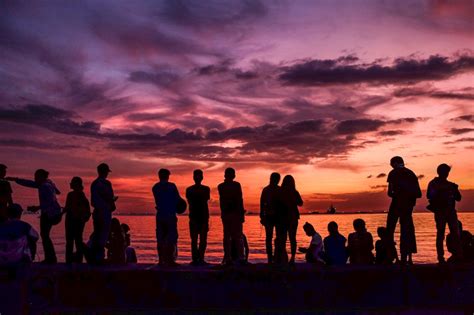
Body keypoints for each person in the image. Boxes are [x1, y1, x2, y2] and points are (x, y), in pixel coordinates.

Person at [7, 169, 61, 264]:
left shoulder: (44, 186)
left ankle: (50, 258)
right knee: (45, 235)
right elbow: (30, 183)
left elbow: (50, 201)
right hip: (55, 213)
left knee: (45, 236)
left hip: (49, 214)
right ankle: (51, 258)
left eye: (36, 176)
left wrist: (37, 207)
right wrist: (16, 179)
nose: (34, 178)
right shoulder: (48, 183)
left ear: (41, 177)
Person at [386, 156, 421, 265]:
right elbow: (418, 193)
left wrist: (399, 194)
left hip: (397, 204)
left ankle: (393, 257)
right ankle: (407, 258)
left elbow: (389, 192)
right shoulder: (411, 173)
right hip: (408, 207)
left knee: (390, 230)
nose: (391, 165)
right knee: (407, 231)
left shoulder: (393, 173)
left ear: (395, 163)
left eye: (391, 163)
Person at [427, 164, 462, 263]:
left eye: (447, 172)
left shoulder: (451, 185)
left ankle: (457, 255)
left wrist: (455, 190)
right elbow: (429, 195)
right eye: (444, 172)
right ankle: (441, 257)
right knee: (440, 234)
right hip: (440, 212)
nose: (446, 174)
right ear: (439, 172)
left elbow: (458, 198)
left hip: (451, 212)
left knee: (455, 234)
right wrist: (442, 192)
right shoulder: (433, 183)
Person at [152, 168, 182, 266]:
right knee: (171, 238)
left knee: (160, 238)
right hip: (170, 215)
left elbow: (159, 201)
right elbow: (178, 200)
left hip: (160, 215)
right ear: (167, 176)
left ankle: (161, 260)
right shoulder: (172, 186)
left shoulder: (155, 187)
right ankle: (170, 260)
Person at [218, 167, 245, 265]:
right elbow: (239, 200)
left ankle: (228, 257)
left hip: (227, 214)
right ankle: (238, 257)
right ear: (233, 175)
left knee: (228, 236)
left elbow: (223, 202)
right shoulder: (236, 185)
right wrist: (241, 214)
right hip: (234, 214)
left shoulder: (221, 186)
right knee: (236, 236)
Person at [90, 163, 117, 264]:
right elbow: (109, 197)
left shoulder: (94, 183)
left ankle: (96, 257)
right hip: (104, 212)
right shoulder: (106, 183)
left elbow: (93, 201)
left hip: (97, 212)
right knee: (103, 235)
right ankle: (99, 257)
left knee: (97, 234)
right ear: (105, 172)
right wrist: (112, 202)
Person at [186, 169, 211, 266]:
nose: (197, 178)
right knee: (197, 240)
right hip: (196, 217)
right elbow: (204, 200)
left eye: (198, 176)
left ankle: (199, 259)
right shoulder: (204, 189)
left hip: (201, 217)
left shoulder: (203, 189)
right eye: (197, 176)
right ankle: (197, 259)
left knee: (199, 240)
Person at [64, 177, 91, 263]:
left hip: (76, 222)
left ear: (76, 184)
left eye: (72, 182)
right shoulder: (71, 195)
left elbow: (86, 211)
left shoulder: (78, 196)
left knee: (75, 241)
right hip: (72, 221)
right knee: (72, 241)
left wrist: (82, 219)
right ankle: (72, 260)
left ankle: (73, 260)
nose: (70, 184)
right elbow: (67, 208)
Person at [277, 175, 303, 265]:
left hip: (285, 218)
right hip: (291, 218)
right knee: (292, 238)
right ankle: (291, 257)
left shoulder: (281, 191)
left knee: (284, 238)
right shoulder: (294, 192)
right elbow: (300, 203)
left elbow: (300, 203)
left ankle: (286, 257)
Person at [260, 172, 281, 263]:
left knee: (274, 238)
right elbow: (262, 204)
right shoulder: (267, 190)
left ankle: (274, 257)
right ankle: (270, 257)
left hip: (276, 217)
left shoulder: (268, 190)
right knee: (271, 238)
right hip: (270, 217)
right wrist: (262, 216)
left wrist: (262, 215)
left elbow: (262, 204)